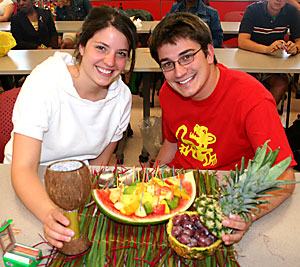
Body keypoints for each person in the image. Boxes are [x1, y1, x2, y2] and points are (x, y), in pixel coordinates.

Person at [149, 12, 296, 246]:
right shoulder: (168, 92)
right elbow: (173, 141)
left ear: (209, 52)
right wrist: (153, 178)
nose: (178, 72)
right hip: (180, 189)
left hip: (226, 195)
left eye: (186, 57)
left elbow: (286, 178)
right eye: (168, 64)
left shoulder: (252, 98)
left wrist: (247, 216)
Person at [4, 6, 138, 248]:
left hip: (78, 187)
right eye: (101, 48)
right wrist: (48, 214)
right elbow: (22, 168)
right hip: (30, 181)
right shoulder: (46, 82)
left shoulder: (122, 98)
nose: (110, 62)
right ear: (81, 46)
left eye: (121, 53)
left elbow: (98, 165)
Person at [238, 0, 300, 105]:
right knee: (246, 84)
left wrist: (296, 48)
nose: (278, 0)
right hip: (249, 61)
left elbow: (299, 40)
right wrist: (267, 49)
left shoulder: (292, 11)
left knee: (282, 82)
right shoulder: (253, 10)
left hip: (274, 63)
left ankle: (265, 114)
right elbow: (242, 41)